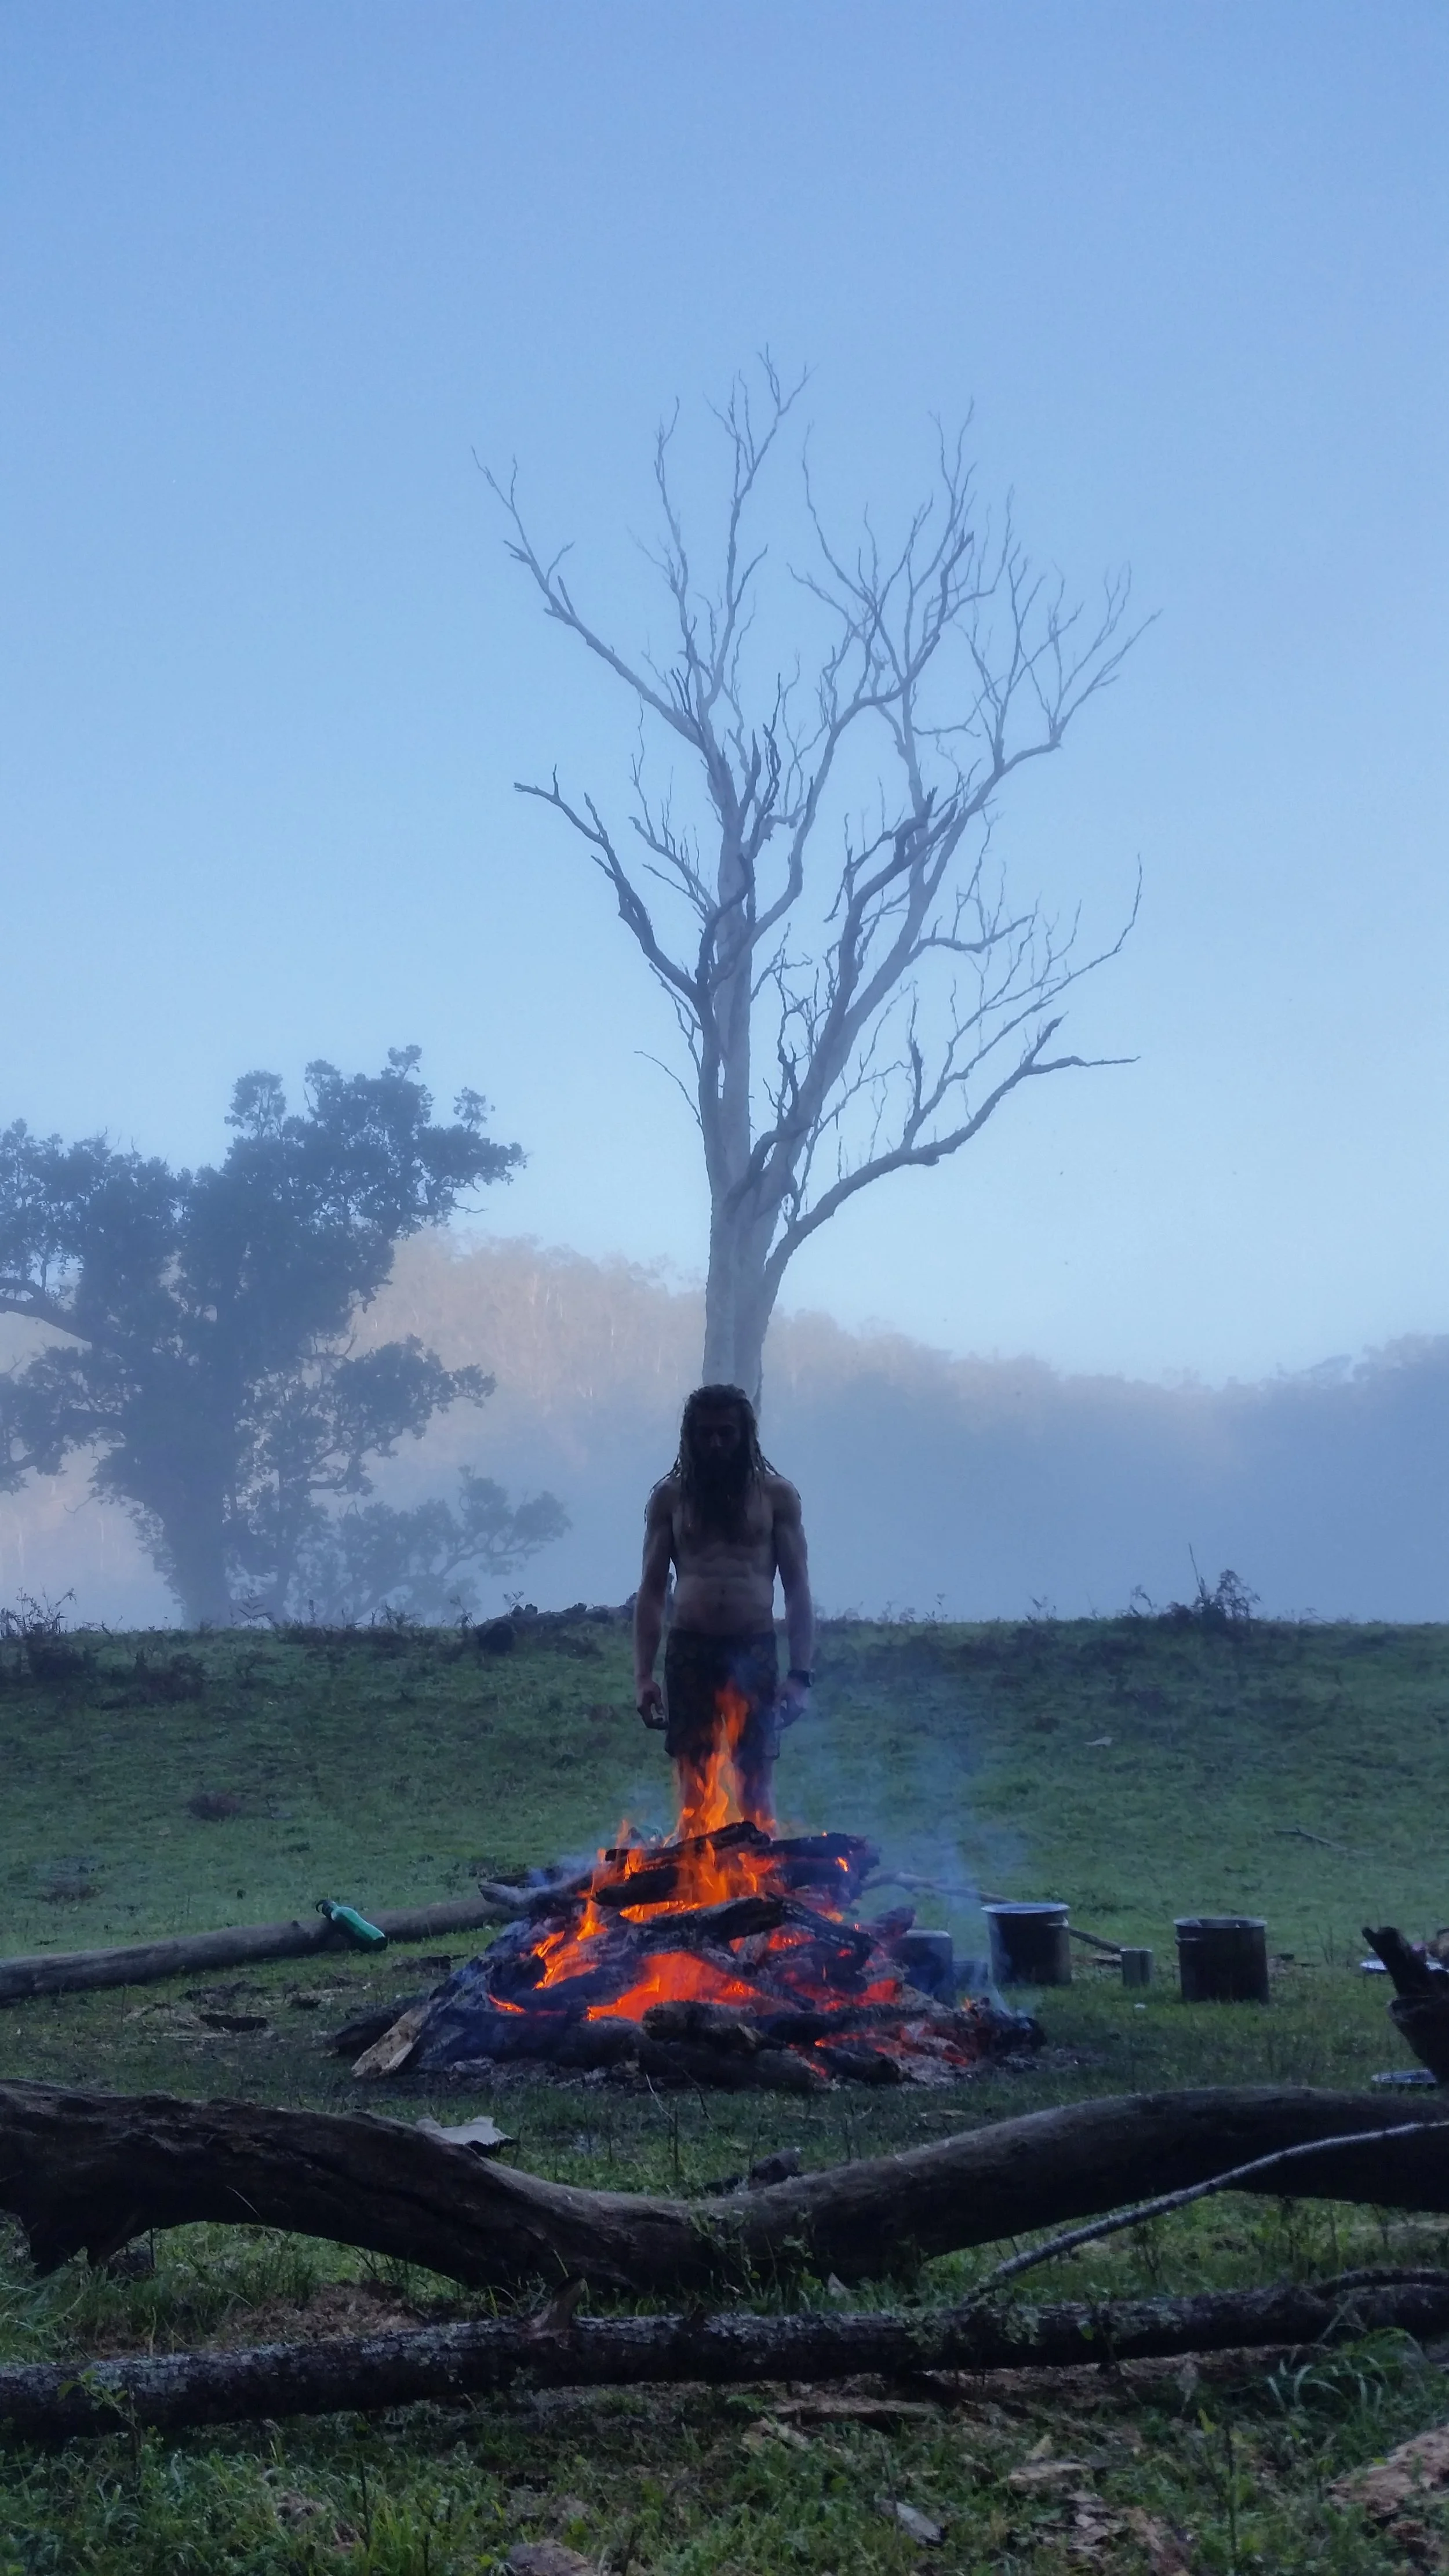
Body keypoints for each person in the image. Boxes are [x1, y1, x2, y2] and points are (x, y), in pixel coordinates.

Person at [634, 1383, 814, 1828]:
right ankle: (694, 1869)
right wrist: (643, 1677)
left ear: (745, 1435)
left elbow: (797, 1590)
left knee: (756, 1788)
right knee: (694, 1789)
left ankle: (762, 1868)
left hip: (753, 1650)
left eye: (726, 1433)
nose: (716, 1444)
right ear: (690, 1437)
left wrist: (800, 1676)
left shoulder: (777, 1497)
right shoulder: (670, 1499)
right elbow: (652, 1591)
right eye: (706, 1434)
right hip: (690, 1650)